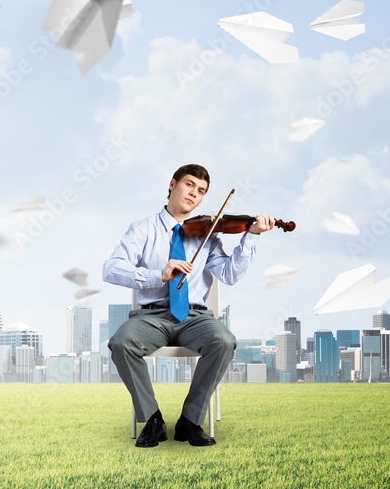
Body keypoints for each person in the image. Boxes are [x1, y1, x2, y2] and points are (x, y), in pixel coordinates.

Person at [103, 164, 274, 448]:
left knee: (224, 340)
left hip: (195, 316)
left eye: (202, 191)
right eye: (189, 185)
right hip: (152, 316)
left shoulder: (207, 234)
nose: (194, 194)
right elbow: (111, 269)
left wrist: (252, 235)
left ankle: (190, 421)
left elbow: (230, 274)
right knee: (121, 342)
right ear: (172, 184)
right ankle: (153, 420)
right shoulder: (142, 229)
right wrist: (157, 274)